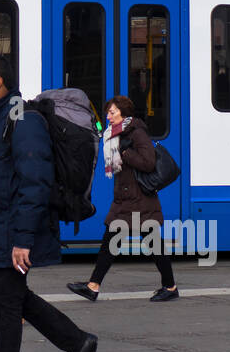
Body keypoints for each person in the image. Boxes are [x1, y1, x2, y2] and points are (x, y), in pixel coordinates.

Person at [0, 54, 98, 352]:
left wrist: (22, 239)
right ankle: (79, 342)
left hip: (15, 230)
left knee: (6, 298)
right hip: (0, 226)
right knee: (11, 296)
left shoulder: (24, 120)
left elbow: (35, 182)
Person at [68, 95, 177, 303]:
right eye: (108, 112)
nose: (108, 116)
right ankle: (93, 286)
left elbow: (148, 162)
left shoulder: (137, 132)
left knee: (149, 243)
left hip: (138, 198)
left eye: (112, 112)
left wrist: (125, 152)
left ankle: (170, 286)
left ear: (123, 114)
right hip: (126, 198)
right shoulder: (114, 134)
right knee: (114, 241)